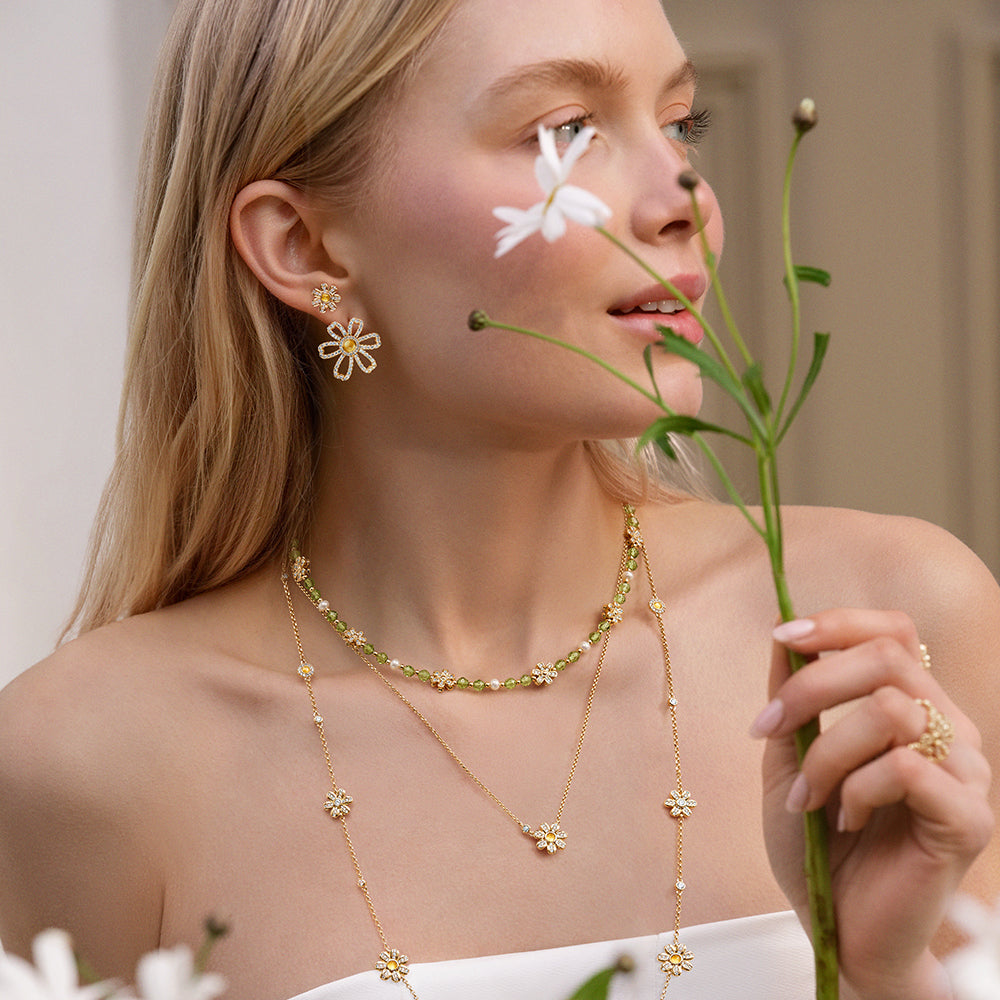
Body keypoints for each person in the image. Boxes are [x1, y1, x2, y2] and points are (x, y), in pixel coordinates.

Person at [0, 0, 996, 997]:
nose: (682, 195)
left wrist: (887, 973)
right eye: (565, 131)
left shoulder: (882, 637)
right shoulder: (87, 763)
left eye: (682, 122)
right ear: (303, 246)